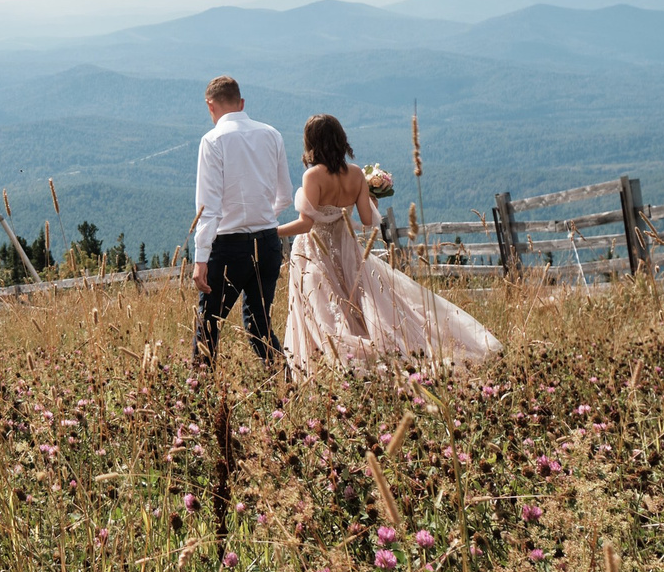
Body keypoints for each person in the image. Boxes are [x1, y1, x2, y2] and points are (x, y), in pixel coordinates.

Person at [277, 112, 500, 375]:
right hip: (348, 247)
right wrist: (372, 197)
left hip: (314, 250)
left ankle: (324, 365)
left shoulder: (312, 176)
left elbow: (306, 223)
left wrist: (270, 231)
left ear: (310, 142)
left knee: (320, 307)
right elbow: (367, 217)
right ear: (340, 139)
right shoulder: (356, 174)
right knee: (360, 303)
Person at [190, 75, 292, 370]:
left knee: (208, 326)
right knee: (260, 326)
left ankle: (199, 396)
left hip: (228, 247)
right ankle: (286, 384)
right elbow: (285, 194)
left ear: (210, 106)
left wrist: (201, 257)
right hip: (268, 243)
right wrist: (263, 215)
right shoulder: (272, 134)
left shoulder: (212, 140)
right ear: (242, 103)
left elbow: (207, 207)